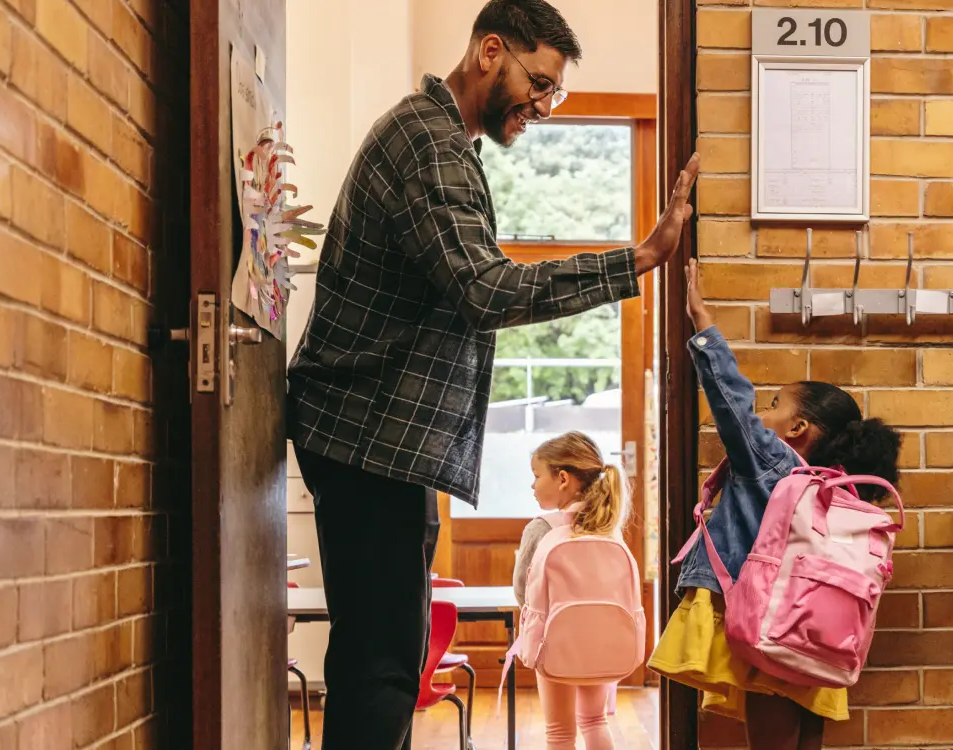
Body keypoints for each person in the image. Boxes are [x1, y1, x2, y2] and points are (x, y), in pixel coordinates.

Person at [285, 0, 700, 744]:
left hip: (381, 441)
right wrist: (635, 259)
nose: (543, 105)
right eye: (538, 83)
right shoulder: (429, 145)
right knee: (381, 665)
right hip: (366, 437)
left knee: (381, 660)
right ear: (490, 52)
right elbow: (486, 290)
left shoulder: (444, 141)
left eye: (554, 92)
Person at [649, 259, 903, 750]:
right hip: (813, 631)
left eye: (774, 406)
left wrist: (702, 322)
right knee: (804, 739)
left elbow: (730, 402)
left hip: (767, 622)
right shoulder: (837, 491)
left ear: (798, 429)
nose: (762, 414)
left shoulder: (772, 463)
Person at [514, 432, 630, 750]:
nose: (533, 485)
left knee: (560, 732)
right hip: (604, 641)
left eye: (537, 476)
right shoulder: (608, 527)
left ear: (563, 478)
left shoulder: (542, 527)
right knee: (595, 722)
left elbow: (522, 592)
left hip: (554, 643)